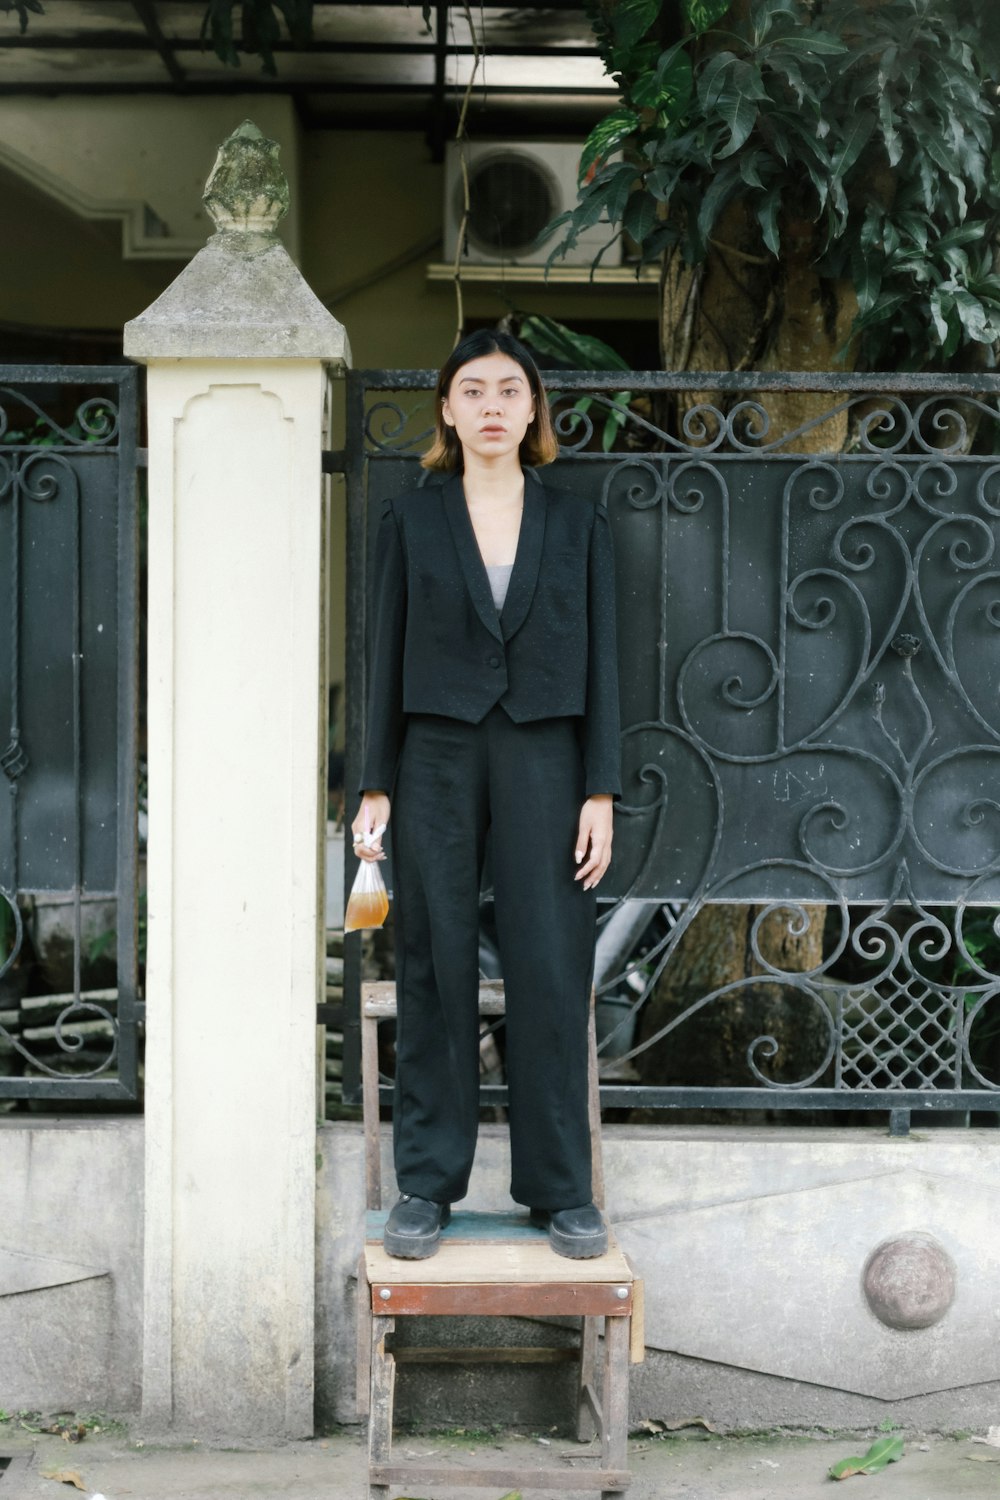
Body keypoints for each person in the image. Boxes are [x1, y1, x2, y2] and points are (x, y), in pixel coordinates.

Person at [352, 329, 621, 1260]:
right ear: (447, 410)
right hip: (433, 755)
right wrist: (373, 781)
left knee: (550, 965)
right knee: (431, 963)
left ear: (534, 410)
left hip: (548, 757)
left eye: (512, 390)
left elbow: (606, 664)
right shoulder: (410, 519)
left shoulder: (579, 522)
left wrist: (603, 789)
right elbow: (381, 653)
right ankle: (427, 1184)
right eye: (475, 390)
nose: (494, 405)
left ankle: (560, 1189)